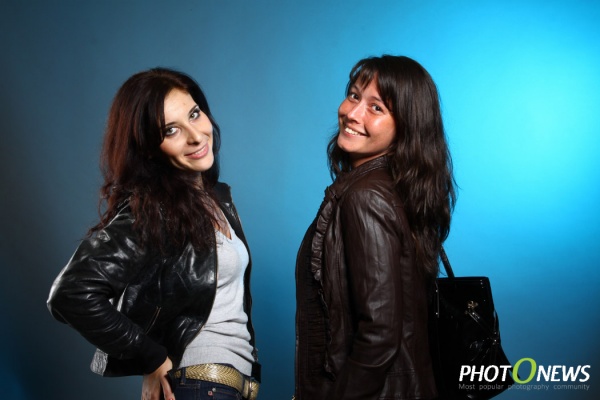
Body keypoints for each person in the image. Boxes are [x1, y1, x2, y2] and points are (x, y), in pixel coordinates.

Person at [47, 68, 260, 400]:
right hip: (201, 386)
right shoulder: (154, 208)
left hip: (227, 387)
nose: (196, 136)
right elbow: (71, 293)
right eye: (171, 130)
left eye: (194, 114)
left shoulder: (216, 199)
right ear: (148, 148)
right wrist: (152, 358)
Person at [295, 55, 456, 399]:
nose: (352, 114)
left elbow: (379, 334)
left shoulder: (366, 197)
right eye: (354, 96)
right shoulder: (395, 191)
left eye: (376, 108)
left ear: (406, 127)